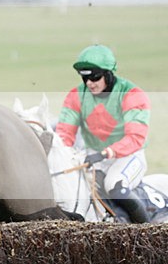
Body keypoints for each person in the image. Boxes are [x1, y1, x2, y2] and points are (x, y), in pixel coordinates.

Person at [56, 44, 151, 223]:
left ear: (108, 73)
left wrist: (107, 153)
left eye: (95, 77)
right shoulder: (76, 95)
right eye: (85, 79)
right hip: (95, 155)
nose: (90, 83)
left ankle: (148, 232)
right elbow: (64, 133)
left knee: (114, 185)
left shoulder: (132, 94)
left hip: (128, 155)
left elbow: (135, 137)